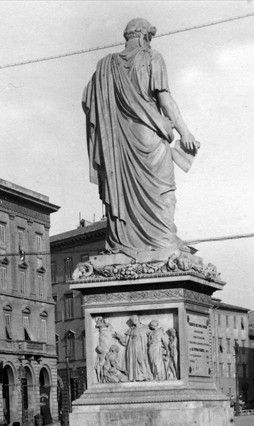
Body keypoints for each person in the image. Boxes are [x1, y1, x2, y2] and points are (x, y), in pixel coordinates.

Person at [82, 18, 199, 262]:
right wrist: (184, 132)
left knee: (125, 191)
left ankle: (128, 241)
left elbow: (88, 101)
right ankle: (164, 238)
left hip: (118, 144)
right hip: (149, 137)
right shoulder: (152, 57)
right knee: (163, 191)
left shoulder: (104, 67)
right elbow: (165, 100)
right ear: (145, 37)